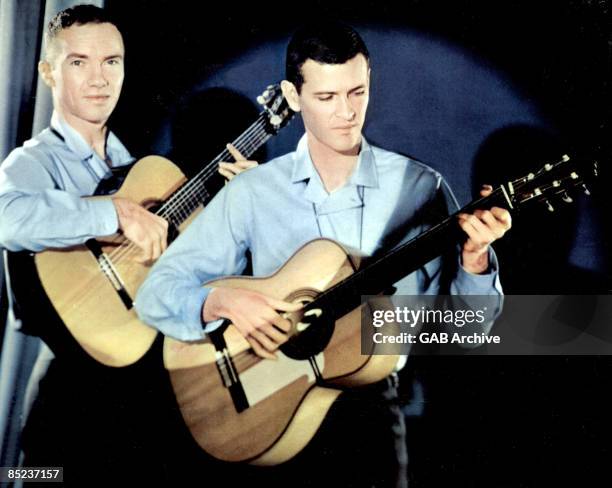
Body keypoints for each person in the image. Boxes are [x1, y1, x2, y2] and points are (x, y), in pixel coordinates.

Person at [135, 21, 512, 487]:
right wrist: (222, 302)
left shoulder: (421, 187)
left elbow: (464, 332)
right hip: (264, 406)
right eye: (327, 98)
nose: (347, 113)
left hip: (369, 415)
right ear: (293, 98)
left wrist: (475, 259)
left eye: (357, 92)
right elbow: (155, 294)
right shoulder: (254, 191)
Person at [0, 4, 254, 483]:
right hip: (69, 391)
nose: (99, 78)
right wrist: (113, 214)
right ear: (48, 72)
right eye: (80, 62)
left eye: (111, 62)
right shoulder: (33, 162)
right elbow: (6, 217)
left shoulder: (140, 170)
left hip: (139, 390)